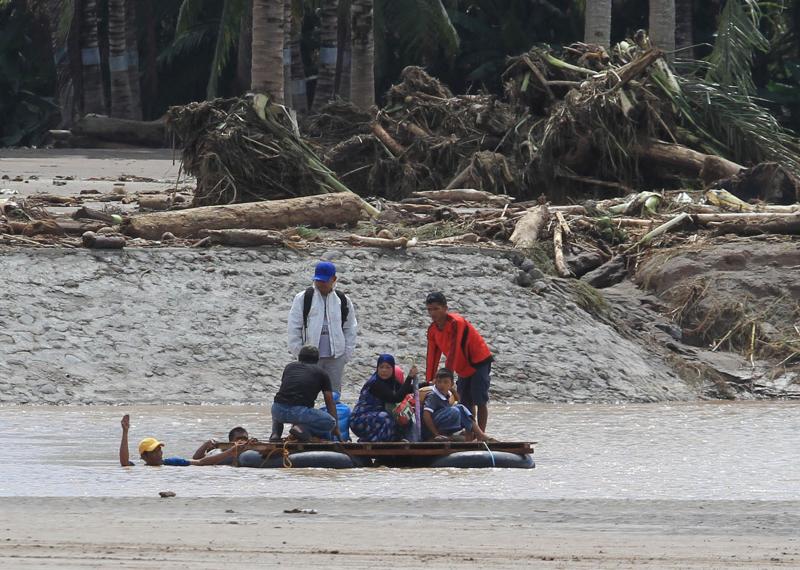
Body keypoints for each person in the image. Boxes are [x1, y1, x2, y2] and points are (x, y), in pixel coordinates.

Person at [425, 291, 494, 431]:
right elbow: (432, 356)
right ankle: (471, 435)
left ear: (445, 308)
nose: (433, 313)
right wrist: (429, 381)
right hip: (462, 366)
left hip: (478, 361)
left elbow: (454, 349)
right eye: (429, 310)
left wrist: (448, 376)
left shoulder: (456, 322)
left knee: (479, 400)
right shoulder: (432, 330)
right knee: (465, 401)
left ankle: (482, 437)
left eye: (436, 309)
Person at [287, 261, 358, 395]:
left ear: (334, 279)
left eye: (325, 281)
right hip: (310, 358)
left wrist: (345, 355)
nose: (321, 284)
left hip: (336, 357)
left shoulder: (343, 300)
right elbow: (294, 327)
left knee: (334, 394)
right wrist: (299, 354)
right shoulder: (303, 298)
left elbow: (350, 328)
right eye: (318, 281)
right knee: (306, 393)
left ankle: (333, 416)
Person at [270, 345, 340, 443]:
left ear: (299, 357)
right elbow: (329, 402)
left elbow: (285, 391)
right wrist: (336, 427)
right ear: (317, 359)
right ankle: (300, 429)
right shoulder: (322, 373)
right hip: (299, 412)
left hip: (277, 410)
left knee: (280, 402)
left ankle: (275, 434)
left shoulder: (289, 367)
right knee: (330, 422)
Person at [119, 415, 246, 467]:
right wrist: (125, 432)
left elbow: (200, 462)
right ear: (144, 456)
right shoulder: (139, 469)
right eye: (154, 451)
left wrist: (230, 452)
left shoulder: (172, 462)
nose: (159, 454)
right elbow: (124, 463)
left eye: (159, 450)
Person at [350, 354, 418, 442]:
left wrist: (427, 384)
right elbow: (396, 398)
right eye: (381, 367)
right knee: (386, 418)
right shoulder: (375, 383)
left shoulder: (391, 382)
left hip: (375, 416)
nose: (384, 370)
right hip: (360, 419)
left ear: (392, 369)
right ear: (377, 368)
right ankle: (370, 442)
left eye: (388, 367)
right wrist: (409, 377)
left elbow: (405, 389)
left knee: (403, 419)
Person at [422, 368, 493, 442]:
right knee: (457, 410)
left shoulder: (447, 393)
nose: (442, 385)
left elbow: (458, 399)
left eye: (445, 382)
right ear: (435, 383)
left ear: (451, 384)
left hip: (441, 423)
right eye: (439, 382)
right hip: (431, 428)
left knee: (461, 408)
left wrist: (453, 391)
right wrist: (436, 434)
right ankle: (480, 435)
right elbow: (426, 415)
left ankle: (478, 435)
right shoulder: (433, 396)